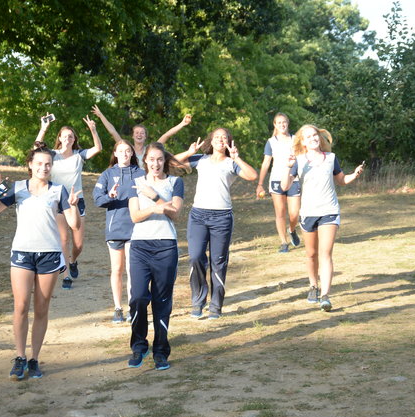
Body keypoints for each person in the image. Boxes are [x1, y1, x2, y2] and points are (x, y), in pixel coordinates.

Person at [0, 146, 81, 380]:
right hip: (22, 254)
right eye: (39, 163)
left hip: (49, 254)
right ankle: (19, 357)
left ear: (51, 166)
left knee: (41, 308)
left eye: (48, 164)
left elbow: (74, 224)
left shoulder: (59, 190)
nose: (43, 168)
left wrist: (74, 206)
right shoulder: (17, 188)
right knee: (20, 306)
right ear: (30, 165)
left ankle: (34, 359)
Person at [174, 128, 258, 319]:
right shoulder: (200, 159)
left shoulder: (231, 163)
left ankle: (215, 305)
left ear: (229, 141)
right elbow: (171, 163)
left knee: (218, 262)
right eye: (217, 137)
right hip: (198, 215)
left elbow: (252, 175)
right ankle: (198, 301)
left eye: (224, 137)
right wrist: (189, 152)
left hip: (222, 217)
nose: (220, 139)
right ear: (210, 141)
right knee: (195, 257)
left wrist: (237, 157)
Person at [280, 125, 364, 312]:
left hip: (329, 210)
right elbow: (285, 186)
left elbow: (341, 180)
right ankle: (313, 286)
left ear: (319, 137)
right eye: (308, 136)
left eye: (315, 135)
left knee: (325, 254)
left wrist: (355, 174)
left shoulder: (331, 158)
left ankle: (325, 296)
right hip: (308, 212)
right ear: (302, 141)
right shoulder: (299, 160)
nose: (313, 138)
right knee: (311, 254)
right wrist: (288, 167)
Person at [127, 143, 184, 370]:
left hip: (166, 246)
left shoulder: (175, 182)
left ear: (165, 161)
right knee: (138, 297)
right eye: (151, 159)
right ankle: (139, 345)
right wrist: (153, 208)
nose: (156, 164)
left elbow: (175, 214)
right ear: (145, 161)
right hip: (140, 246)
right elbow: (134, 216)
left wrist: (155, 197)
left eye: (160, 159)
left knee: (162, 301)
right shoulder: (136, 183)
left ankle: (161, 351)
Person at [36, 114, 102, 289]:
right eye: (64, 136)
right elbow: (36, 150)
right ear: (59, 138)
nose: (67, 139)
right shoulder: (52, 155)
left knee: (78, 244)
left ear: (74, 140)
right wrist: (43, 128)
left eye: (70, 136)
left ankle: (73, 261)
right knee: (63, 240)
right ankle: (66, 275)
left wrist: (93, 130)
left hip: (76, 202)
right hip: (57, 201)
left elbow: (97, 148)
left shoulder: (79, 155)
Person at [92, 140, 145, 323]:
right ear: (115, 153)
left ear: (132, 153)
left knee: (132, 269)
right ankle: (117, 308)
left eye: (127, 151)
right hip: (115, 229)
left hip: (135, 228)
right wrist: (110, 196)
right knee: (117, 269)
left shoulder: (141, 174)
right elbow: (97, 199)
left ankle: (132, 307)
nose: (124, 154)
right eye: (120, 151)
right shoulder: (107, 174)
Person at [256, 113, 301, 253]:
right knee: (280, 212)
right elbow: (266, 163)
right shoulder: (271, 141)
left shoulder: (296, 139)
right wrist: (260, 184)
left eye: (284, 122)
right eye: (279, 122)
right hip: (276, 180)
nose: (282, 125)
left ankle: (292, 230)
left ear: (288, 123)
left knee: (294, 214)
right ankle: (283, 242)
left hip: (293, 179)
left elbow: (302, 158)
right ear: (275, 125)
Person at [91, 104, 192, 162]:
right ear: (132, 135)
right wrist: (100, 115)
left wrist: (182, 124)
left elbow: (166, 135)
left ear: (145, 136)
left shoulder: (150, 150)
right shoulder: (127, 149)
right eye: (137, 133)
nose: (139, 135)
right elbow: (113, 132)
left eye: (142, 133)